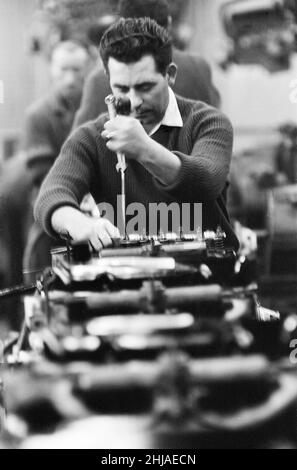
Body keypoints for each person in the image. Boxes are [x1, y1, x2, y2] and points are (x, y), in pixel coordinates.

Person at [35, 17, 238, 252]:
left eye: (145, 87)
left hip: (206, 278)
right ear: (108, 79)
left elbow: (207, 182)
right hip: (124, 280)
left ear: (170, 74)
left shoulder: (207, 122)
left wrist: (144, 149)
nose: (134, 101)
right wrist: (79, 223)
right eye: (121, 88)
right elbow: (50, 196)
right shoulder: (91, 138)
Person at [73, 0, 220, 128]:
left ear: (122, 24)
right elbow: (214, 117)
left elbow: (80, 144)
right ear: (168, 22)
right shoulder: (199, 67)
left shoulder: (102, 78)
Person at [20, 41, 91, 277]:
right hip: (50, 218)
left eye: (76, 70)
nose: (70, 78)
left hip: (94, 215)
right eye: (64, 69)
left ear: (87, 70)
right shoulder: (37, 116)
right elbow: (41, 176)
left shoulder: (95, 110)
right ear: (52, 70)